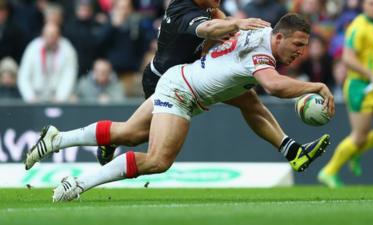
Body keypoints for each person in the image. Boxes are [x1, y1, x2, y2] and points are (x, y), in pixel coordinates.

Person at [24, 13, 335, 202]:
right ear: (278, 37)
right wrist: (317, 86)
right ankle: (79, 184)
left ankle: (57, 139)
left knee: (130, 134)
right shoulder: (261, 49)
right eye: (296, 44)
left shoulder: (255, 30)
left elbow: (221, 49)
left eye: (305, 46)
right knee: (159, 161)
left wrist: (215, 70)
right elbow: (275, 86)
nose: (300, 52)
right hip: (181, 92)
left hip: (182, 79)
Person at [96, 0, 286, 165]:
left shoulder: (209, 8)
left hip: (187, 79)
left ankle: (288, 147)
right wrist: (237, 24)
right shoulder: (182, 9)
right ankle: (110, 139)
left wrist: (234, 28)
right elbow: (209, 28)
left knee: (249, 99)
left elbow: (222, 22)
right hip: (161, 80)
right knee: (138, 135)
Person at [318, 0, 373, 188]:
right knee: (359, 135)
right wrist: (371, 74)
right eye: (371, 4)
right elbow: (347, 58)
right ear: (364, 6)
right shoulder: (358, 26)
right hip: (360, 88)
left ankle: (356, 150)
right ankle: (329, 171)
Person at [17, 22, 78, 103]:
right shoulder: (33, 48)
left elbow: (69, 76)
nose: (50, 39)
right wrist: (30, 97)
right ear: (42, 35)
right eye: (47, 36)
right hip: (35, 95)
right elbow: (23, 76)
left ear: (59, 36)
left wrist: (60, 98)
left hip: (58, 96)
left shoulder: (67, 49)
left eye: (53, 36)